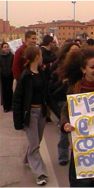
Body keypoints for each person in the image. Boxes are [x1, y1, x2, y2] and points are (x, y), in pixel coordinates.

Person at [59, 48, 94, 187]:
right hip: (82, 151)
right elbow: (65, 111)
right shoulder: (75, 89)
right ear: (83, 69)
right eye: (92, 67)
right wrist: (65, 125)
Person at [12, 46, 48, 185]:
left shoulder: (42, 73)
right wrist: (18, 122)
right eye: (41, 55)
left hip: (42, 113)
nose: (43, 57)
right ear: (37, 57)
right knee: (34, 144)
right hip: (30, 114)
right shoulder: (25, 76)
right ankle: (40, 174)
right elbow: (18, 99)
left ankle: (28, 159)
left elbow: (47, 94)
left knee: (36, 142)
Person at [48, 42, 80, 166]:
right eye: (73, 50)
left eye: (78, 50)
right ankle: (63, 156)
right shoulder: (58, 66)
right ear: (66, 52)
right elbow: (51, 88)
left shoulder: (82, 66)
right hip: (63, 100)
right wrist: (63, 83)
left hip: (78, 101)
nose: (75, 53)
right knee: (64, 131)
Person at [0, 42, 14, 112]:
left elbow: (13, 65)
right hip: (3, 76)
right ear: (2, 48)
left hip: (11, 76)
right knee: (5, 91)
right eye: (4, 47)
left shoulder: (12, 55)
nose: (6, 48)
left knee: (10, 90)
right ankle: (6, 107)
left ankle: (11, 105)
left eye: (7, 46)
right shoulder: (0, 56)